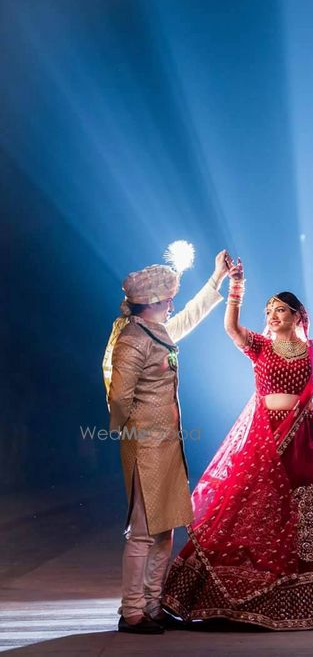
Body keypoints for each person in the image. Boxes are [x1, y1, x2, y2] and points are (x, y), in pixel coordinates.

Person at [163, 257, 313, 630]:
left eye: (280, 310)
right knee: (249, 506)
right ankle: (224, 596)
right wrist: (237, 285)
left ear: (298, 315)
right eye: (268, 310)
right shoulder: (260, 347)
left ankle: (312, 593)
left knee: (307, 507)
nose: (272, 315)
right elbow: (231, 327)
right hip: (263, 438)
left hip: (302, 437)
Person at [103, 244, 229, 634]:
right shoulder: (132, 340)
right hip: (146, 446)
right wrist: (133, 434)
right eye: (170, 296)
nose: (174, 301)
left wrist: (216, 279)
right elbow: (120, 398)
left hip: (168, 446)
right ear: (154, 301)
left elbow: (191, 315)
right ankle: (132, 611)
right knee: (142, 530)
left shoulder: (156, 332)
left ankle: (153, 605)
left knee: (165, 527)